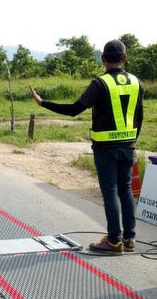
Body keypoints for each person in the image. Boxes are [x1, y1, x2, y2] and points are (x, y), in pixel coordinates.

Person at [29, 39, 144, 254]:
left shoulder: (99, 84)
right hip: (129, 145)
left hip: (106, 148)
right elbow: (140, 116)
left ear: (103, 60)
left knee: (110, 192)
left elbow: (74, 109)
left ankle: (113, 241)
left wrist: (43, 103)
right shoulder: (137, 82)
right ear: (124, 58)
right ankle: (129, 239)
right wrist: (132, 141)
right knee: (126, 189)